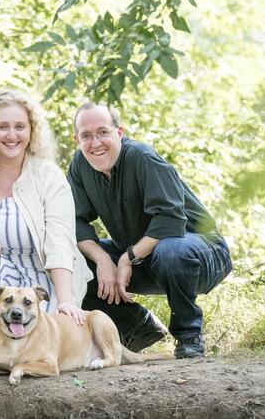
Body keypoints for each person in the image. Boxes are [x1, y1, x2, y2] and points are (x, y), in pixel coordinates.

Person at [67, 102, 232, 359]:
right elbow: (74, 223)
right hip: (144, 256)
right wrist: (102, 261)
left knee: (170, 250)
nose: (95, 142)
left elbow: (170, 221)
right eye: (86, 136)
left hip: (201, 252)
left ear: (119, 133)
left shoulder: (141, 158)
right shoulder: (80, 165)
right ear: (77, 139)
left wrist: (126, 258)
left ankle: (189, 335)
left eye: (102, 132)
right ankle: (138, 327)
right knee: (72, 260)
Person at [0, 90, 92, 331]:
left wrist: (65, 301)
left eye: (20, 126)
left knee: (39, 346)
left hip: (39, 286)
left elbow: (60, 243)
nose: (12, 135)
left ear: (31, 130)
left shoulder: (48, 176)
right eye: (2, 126)